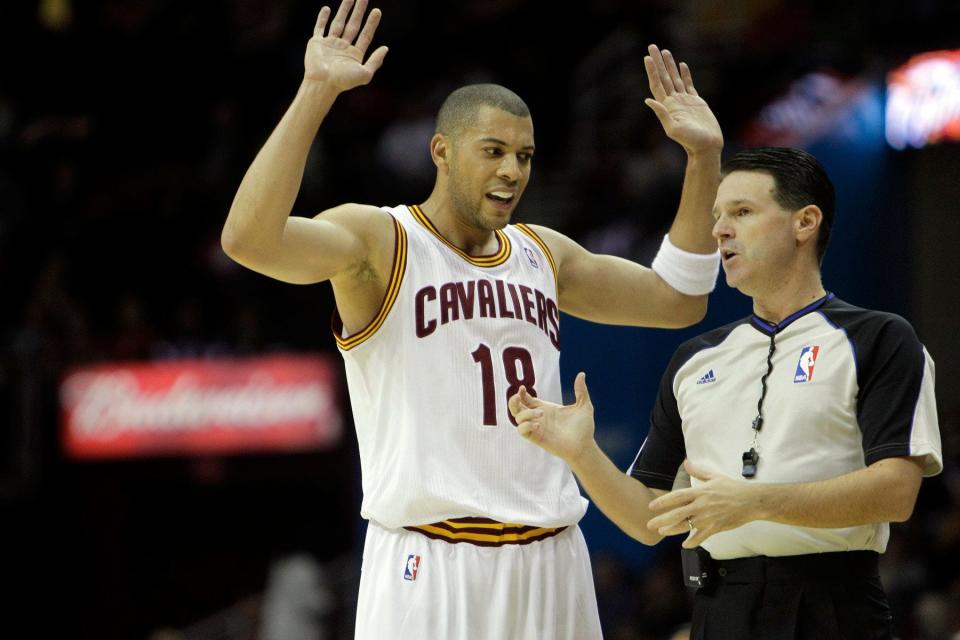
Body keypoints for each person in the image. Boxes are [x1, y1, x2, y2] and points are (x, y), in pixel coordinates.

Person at [221, 0, 724, 637]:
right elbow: (249, 240)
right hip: (429, 558)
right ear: (442, 151)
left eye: (525, 156)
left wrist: (703, 160)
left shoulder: (544, 252)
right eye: (493, 151)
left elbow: (678, 300)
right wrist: (316, 92)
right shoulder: (380, 240)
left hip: (551, 556)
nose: (512, 171)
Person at [509, 146, 943, 639]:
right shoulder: (695, 360)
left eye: (742, 212)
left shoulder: (879, 338)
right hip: (721, 609)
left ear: (805, 222)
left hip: (834, 604)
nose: (719, 230)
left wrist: (755, 502)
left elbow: (895, 492)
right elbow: (648, 520)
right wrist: (581, 453)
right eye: (717, 215)